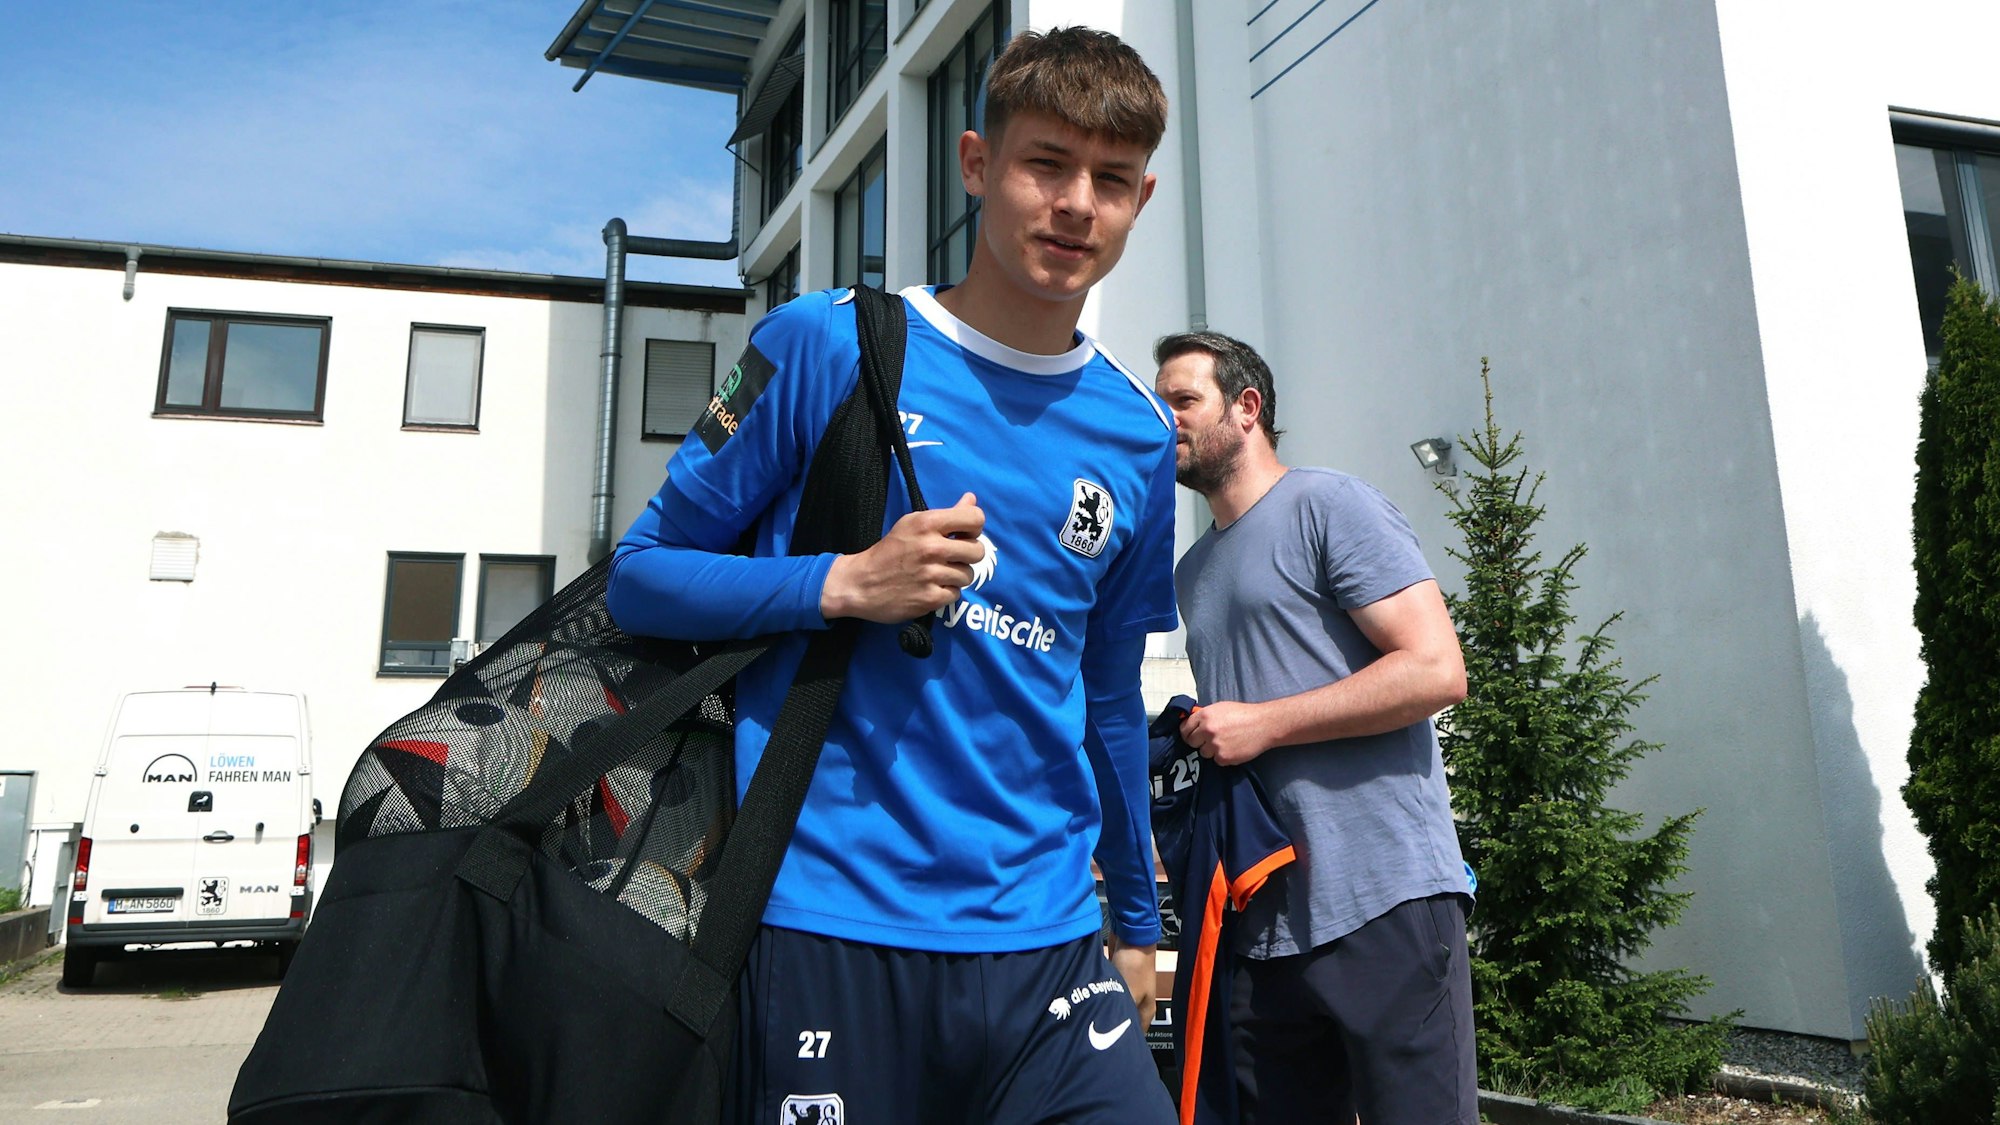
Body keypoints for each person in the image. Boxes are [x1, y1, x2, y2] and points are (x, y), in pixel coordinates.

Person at [606, 26, 1180, 1125]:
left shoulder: (1140, 433)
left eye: (1110, 180)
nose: (1075, 204)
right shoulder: (826, 344)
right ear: (976, 164)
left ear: (1140, 200)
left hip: (1047, 939)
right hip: (831, 924)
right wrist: (842, 584)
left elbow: (1108, 698)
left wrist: (1140, 924)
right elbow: (639, 576)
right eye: (1045, 164)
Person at [1152, 330, 1479, 1125]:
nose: (1166, 420)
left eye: (1184, 400)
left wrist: (1264, 724)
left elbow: (1437, 669)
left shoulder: (1331, 505)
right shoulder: (1192, 572)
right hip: (1262, 926)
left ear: (1247, 407)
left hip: (1386, 899)